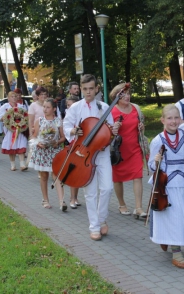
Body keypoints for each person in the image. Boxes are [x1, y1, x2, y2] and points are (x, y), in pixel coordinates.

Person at [63, 74, 120, 241]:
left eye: (91, 89)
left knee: (107, 188)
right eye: (85, 89)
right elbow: (66, 126)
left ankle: (102, 218)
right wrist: (74, 131)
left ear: (96, 89)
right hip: (84, 154)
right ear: (81, 89)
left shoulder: (104, 107)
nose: (88, 92)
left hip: (101, 153)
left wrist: (113, 132)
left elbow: (109, 132)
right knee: (90, 192)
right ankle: (94, 226)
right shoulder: (75, 108)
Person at [148, 104, 184, 269]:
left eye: (176, 118)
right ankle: (177, 253)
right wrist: (155, 162)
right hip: (166, 185)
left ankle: (167, 239)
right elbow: (151, 167)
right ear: (163, 120)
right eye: (169, 118)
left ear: (180, 119)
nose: (173, 121)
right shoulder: (157, 140)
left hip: (183, 183)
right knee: (173, 218)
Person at [109, 83, 146, 219]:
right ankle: (122, 204)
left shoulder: (136, 108)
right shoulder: (112, 111)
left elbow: (140, 128)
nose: (127, 96)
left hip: (134, 148)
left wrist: (142, 127)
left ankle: (138, 207)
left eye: (128, 94)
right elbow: (107, 133)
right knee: (118, 178)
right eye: (123, 94)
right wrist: (113, 129)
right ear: (116, 96)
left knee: (138, 176)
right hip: (118, 151)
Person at [28, 98, 67, 211]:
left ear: (54, 109)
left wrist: (57, 142)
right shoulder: (39, 120)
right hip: (42, 152)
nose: (45, 109)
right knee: (44, 176)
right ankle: (45, 199)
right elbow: (34, 137)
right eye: (44, 107)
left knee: (56, 175)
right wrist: (39, 143)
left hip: (54, 151)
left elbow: (63, 137)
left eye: (48, 107)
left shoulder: (58, 121)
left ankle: (61, 201)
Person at [0, 91, 28, 171]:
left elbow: (26, 116)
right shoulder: (4, 107)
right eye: (12, 96)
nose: (14, 98)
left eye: (15, 96)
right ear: (8, 98)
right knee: (11, 145)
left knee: (22, 144)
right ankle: (13, 164)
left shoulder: (21, 106)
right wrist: (8, 116)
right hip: (10, 130)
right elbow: (0, 118)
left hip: (20, 129)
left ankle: (22, 164)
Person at [64, 95, 81, 208]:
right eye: (68, 105)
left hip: (83, 146)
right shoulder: (68, 117)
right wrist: (73, 131)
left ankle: (76, 197)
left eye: (71, 105)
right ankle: (71, 198)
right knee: (72, 172)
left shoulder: (81, 115)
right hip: (73, 145)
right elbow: (66, 129)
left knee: (80, 173)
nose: (69, 108)